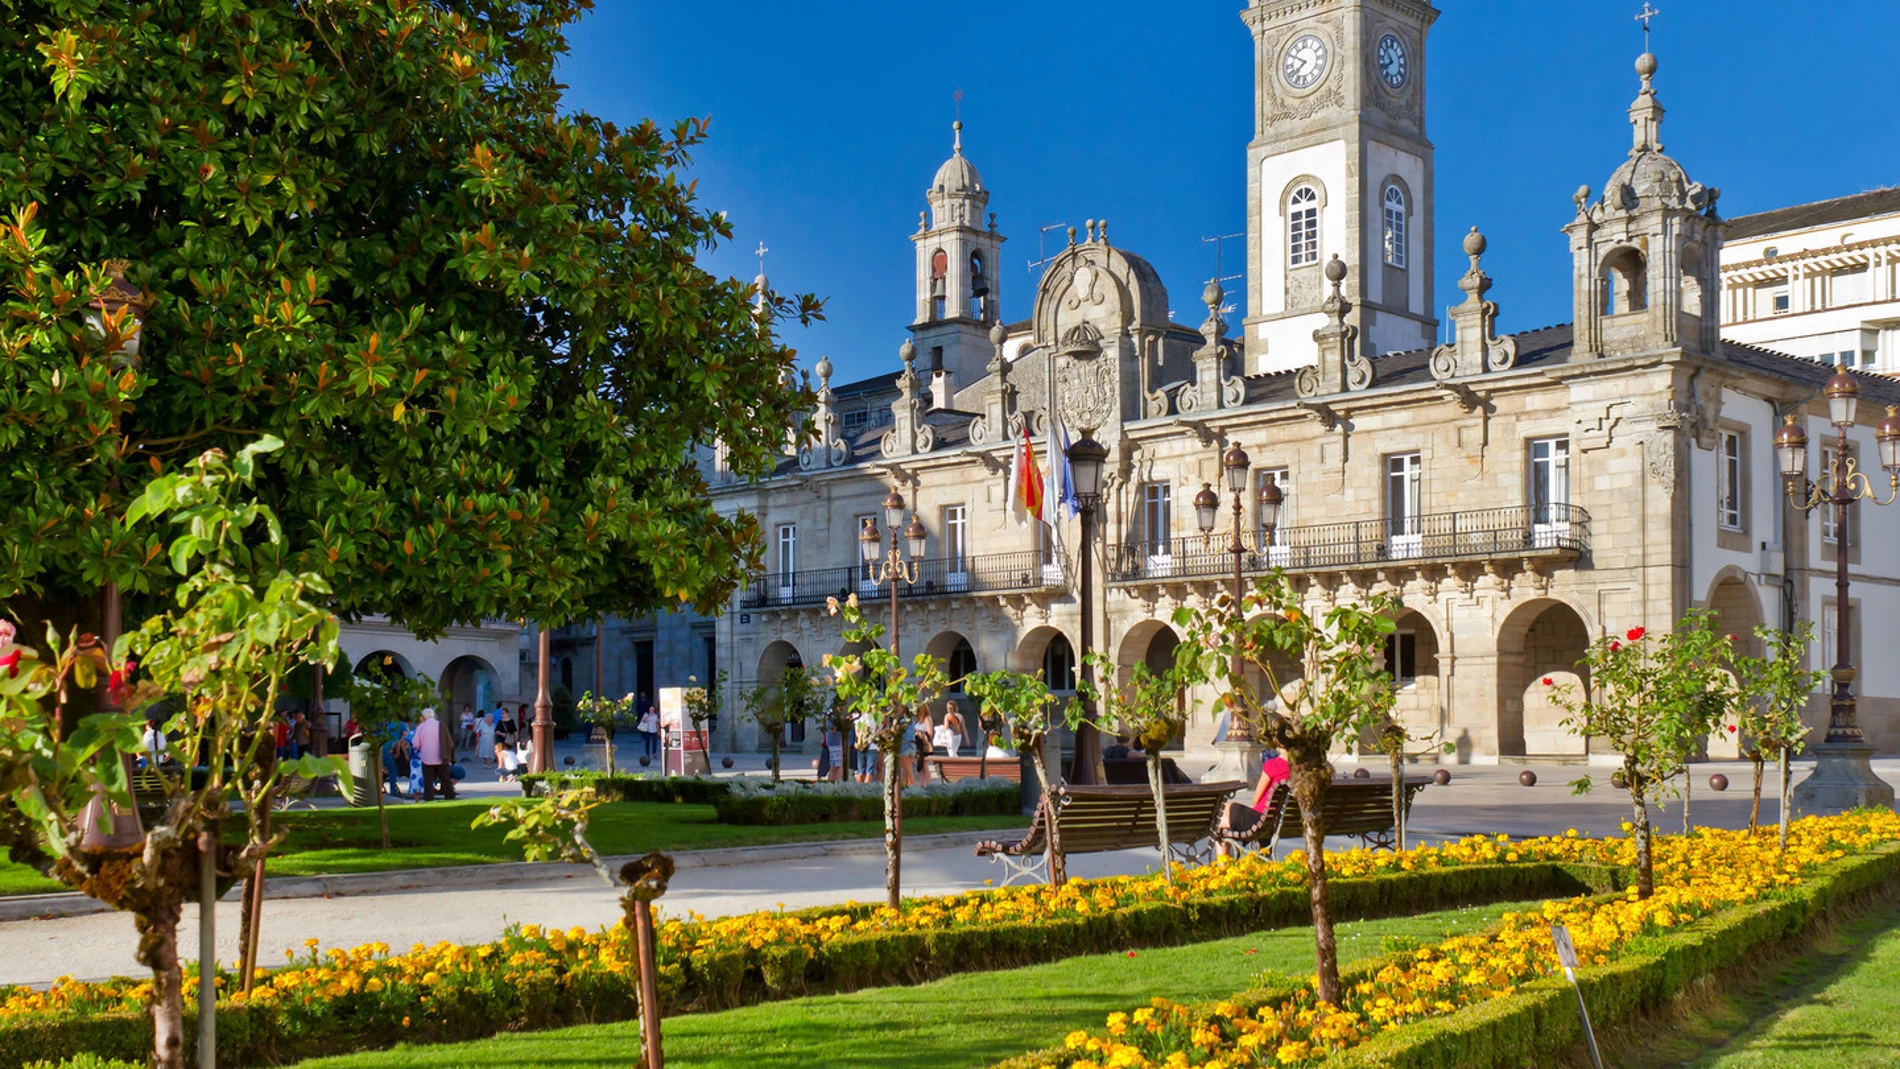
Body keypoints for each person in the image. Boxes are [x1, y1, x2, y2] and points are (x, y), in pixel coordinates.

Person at [1217, 748, 1293, 854]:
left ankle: (1223, 866)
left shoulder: (1274, 765)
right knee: (1229, 812)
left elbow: (1256, 798)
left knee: (1222, 816)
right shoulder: (1306, 770)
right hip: (1282, 821)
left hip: (1261, 821)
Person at [416, 707, 458, 801]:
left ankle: (429, 798)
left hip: (426, 758)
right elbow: (449, 741)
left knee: (428, 781)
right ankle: (450, 797)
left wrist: (421, 747)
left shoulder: (421, 727)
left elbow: (416, 744)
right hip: (442, 757)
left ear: (423, 716)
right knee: (445, 779)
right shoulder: (440, 725)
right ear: (433, 715)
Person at [911, 706, 934, 784]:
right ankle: (923, 785)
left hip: (924, 745)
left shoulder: (927, 718)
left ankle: (929, 785)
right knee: (921, 768)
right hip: (917, 745)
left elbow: (930, 732)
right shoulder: (919, 721)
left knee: (925, 767)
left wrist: (919, 731)